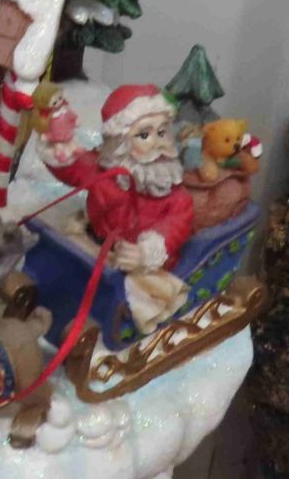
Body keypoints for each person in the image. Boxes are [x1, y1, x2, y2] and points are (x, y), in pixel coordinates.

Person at [39, 84, 194, 333]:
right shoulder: (105, 173)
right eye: (144, 135)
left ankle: (111, 326)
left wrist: (144, 253)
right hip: (97, 247)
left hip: (142, 267)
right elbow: (75, 168)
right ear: (120, 144)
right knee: (59, 256)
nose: (158, 143)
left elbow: (174, 228)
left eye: (162, 132)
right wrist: (60, 149)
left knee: (134, 293)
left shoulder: (178, 198)